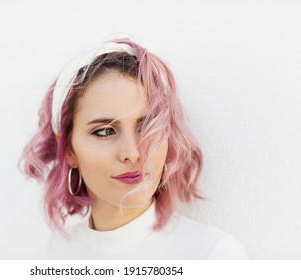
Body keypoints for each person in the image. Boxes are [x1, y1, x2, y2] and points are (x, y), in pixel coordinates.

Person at [20, 38, 248, 259]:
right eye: (104, 131)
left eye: (147, 127)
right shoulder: (59, 250)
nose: (132, 153)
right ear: (69, 150)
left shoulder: (212, 256)